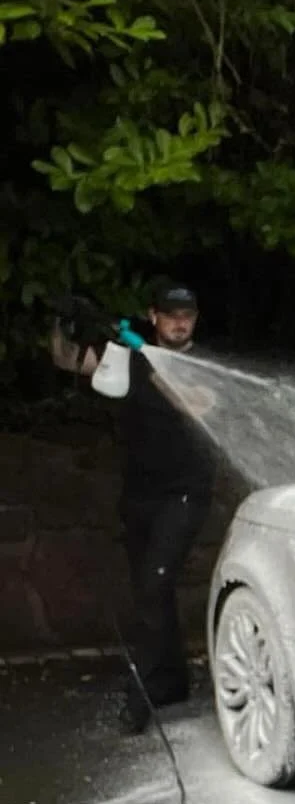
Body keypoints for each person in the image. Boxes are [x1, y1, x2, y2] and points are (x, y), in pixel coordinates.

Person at [49, 281, 215, 733]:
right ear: (154, 316)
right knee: (150, 592)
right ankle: (173, 681)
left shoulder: (202, 363)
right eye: (171, 315)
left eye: (187, 315)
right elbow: (66, 360)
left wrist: (147, 356)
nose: (180, 323)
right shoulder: (128, 357)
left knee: (154, 585)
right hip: (139, 494)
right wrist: (63, 322)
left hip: (185, 493)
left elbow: (196, 405)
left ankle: (141, 693)